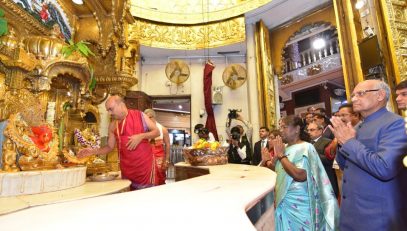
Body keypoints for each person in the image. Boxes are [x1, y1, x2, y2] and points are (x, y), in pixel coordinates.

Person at [329, 79, 407, 230]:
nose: (354, 99)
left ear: (380, 95)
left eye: (361, 94)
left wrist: (349, 141)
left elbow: (385, 168)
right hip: (352, 212)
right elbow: (345, 166)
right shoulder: (358, 126)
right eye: (353, 95)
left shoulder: (395, 123)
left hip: (377, 216)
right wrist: (341, 142)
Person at [263, 115, 339, 230]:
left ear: (297, 129)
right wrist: (268, 160)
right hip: (284, 201)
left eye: (284, 127)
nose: (281, 130)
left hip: (300, 204)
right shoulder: (284, 148)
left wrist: (281, 156)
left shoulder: (306, 147)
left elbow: (300, 175)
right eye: (280, 127)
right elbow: (279, 170)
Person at [78, 95, 159, 190]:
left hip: (145, 168)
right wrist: (92, 151)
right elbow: (109, 147)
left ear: (121, 105)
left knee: (147, 199)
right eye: (108, 110)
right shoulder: (113, 125)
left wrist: (141, 136)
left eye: (111, 109)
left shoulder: (140, 115)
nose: (109, 113)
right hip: (127, 170)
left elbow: (156, 132)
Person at [307, 122, 339, 197]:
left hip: (326, 178)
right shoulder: (308, 143)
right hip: (312, 180)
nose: (309, 132)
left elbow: (329, 160)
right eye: (308, 130)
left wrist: (312, 153)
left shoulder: (328, 142)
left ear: (320, 131)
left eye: (312, 130)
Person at [144, 109, 170, 185]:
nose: (146, 120)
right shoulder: (143, 129)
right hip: (146, 158)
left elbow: (168, 144)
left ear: (153, 117)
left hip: (159, 158)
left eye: (148, 118)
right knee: (147, 179)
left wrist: (166, 160)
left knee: (160, 178)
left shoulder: (163, 129)